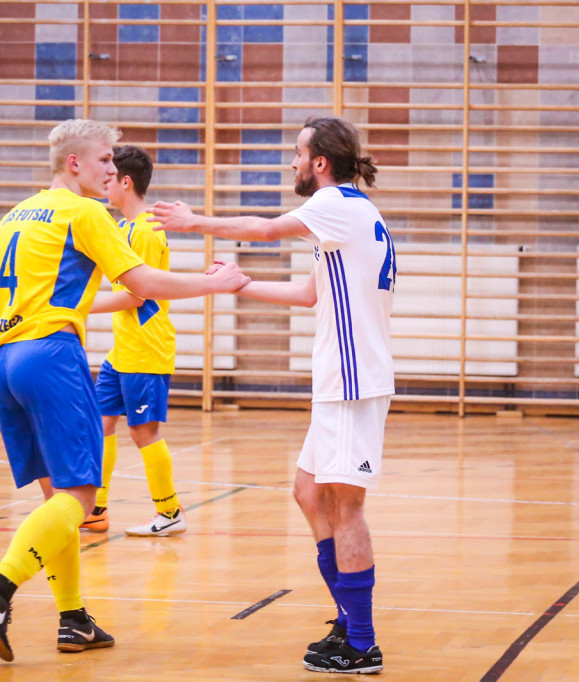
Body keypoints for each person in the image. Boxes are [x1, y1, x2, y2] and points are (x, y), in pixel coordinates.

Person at [0, 119, 249, 663]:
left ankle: (73, 619)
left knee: (59, 498)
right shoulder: (87, 213)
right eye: (104, 161)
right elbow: (142, 286)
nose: (113, 170)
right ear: (75, 164)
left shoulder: (16, 214)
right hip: (51, 355)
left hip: (4, 357)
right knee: (80, 497)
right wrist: (213, 283)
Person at [151, 116, 393, 675]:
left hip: (353, 382)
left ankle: (361, 642)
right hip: (339, 380)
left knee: (346, 504)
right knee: (309, 494)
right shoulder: (345, 216)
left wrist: (194, 221)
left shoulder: (336, 205)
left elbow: (263, 228)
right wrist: (241, 284)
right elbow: (312, 293)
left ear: (320, 163)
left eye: (297, 153)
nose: (292, 162)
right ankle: (346, 617)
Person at [84, 145, 185, 537]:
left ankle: (170, 512)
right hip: (122, 349)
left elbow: (137, 295)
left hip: (146, 347)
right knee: (100, 422)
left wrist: (78, 307)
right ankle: (95, 509)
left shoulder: (143, 230)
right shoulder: (123, 227)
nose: (104, 184)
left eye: (109, 179)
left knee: (143, 433)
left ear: (125, 182)